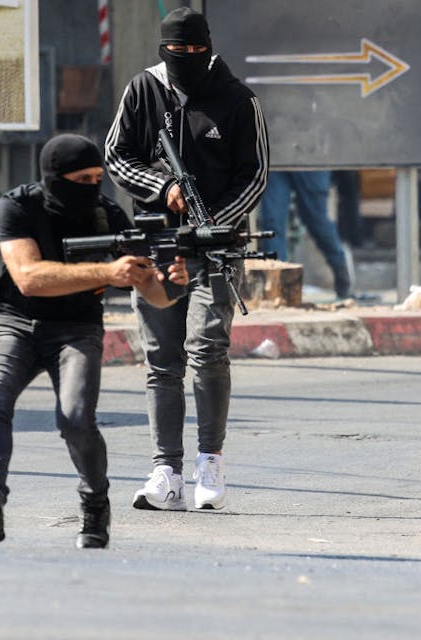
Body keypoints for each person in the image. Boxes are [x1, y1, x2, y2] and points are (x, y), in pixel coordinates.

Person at [0, 134, 189, 549]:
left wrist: (172, 285)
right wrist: (106, 273)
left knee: (76, 419)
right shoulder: (17, 206)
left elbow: (152, 292)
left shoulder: (108, 216)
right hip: (13, 321)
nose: (92, 187)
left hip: (77, 328)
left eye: (98, 178)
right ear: (54, 177)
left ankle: (94, 503)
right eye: (82, 179)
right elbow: (28, 278)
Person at [104, 7, 268, 512]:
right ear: (164, 50)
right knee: (161, 360)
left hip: (215, 250)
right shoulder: (143, 90)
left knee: (208, 350)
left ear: (209, 48)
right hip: (156, 246)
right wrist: (164, 188)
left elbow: (255, 174)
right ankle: (166, 471)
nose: (188, 58)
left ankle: (210, 462)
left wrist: (213, 223)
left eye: (197, 50)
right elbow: (116, 156)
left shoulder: (239, 100)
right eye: (179, 51)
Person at [259, 170, 353, 299]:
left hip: (310, 162)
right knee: (272, 222)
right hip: (274, 163)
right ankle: (276, 288)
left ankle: (342, 274)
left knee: (317, 221)